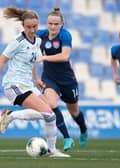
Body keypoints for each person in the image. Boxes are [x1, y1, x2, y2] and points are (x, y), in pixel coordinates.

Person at [0, 6, 70, 157]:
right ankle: (9, 116)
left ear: (38, 25)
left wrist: (37, 78)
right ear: (23, 26)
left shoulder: (38, 40)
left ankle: (52, 150)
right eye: (28, 27)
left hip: (28, 85)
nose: (32, 30)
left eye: (35, 26)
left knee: (51, 115)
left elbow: (33, 61)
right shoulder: (17, 41)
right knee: (49, 115)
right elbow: (2, 60)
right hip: (14, 85)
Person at [35, 8, 87, 148]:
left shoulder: (65, 35)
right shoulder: (41, 35)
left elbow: (65, 56)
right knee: (51, 105)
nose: (53, 27)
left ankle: (83, 130)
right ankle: (67, 138)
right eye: (50, 23)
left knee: (74, 112)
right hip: (49, 78)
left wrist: (44, 57)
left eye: (56, 24)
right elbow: (26, 36)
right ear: (47, 23)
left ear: (62, 24)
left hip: (67, 80)